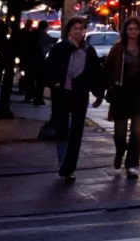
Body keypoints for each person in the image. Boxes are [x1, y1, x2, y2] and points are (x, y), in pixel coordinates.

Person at [43, 17, 104, 184]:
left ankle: (69, 168)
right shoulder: (59, 48)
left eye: (81, 28)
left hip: (80, 95)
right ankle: (62, 161)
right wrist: (52, 84)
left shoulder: (88, 51)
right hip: (61, 95)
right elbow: (48, 68)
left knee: (76, 131)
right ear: (69, 31)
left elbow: (95, 73)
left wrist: (99, 93)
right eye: (75, 28)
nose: (78, 31)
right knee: (62, 128)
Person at [104, 17, 140, 179]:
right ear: (125, 31)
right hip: (121, 93)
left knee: (136, 131)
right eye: (130, 29)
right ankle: (120, 151)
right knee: (119, 132)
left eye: (136, 29)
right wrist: (106, 89)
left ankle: (132, 165)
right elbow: (108, 70)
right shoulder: (117, 49)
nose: (133, 32)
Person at [0, 21, 16, 119]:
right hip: (5, 62)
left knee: (6, 86)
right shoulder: (3, 39)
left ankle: (4, 109)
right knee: (6, 86)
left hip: (3, 62)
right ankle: (4, 110)